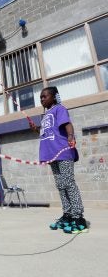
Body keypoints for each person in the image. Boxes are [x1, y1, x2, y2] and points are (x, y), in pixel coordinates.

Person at [30, 86, 88, 234]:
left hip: (62, 151)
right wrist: (36, 128)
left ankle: (78, 217)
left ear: (54, 97)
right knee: (60, 185)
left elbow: (67, 124)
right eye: (41, 97)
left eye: (45, 96)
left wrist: (70, 136)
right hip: (51, 155)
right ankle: (68, 214)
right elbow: (47, 131)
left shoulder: (59, 109)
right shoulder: (45, 115)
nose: (42, 99)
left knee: (68, 183)